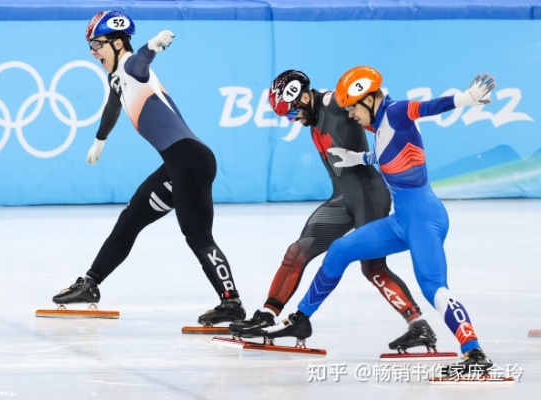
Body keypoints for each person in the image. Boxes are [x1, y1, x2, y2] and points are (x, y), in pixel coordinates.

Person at [263, 66, 496, 377]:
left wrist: (464, 99)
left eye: (351, 108)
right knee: (340, 250)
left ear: (369, 100)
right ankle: (301, 319)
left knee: (434, 287)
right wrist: (358, 159)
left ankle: (474, 352)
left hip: (424, 220)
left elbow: (425, 108)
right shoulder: (381, 125)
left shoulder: (397, 112)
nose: (349, 114)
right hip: (401, 221)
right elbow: (387, 153)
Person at [52, 10, 245, 326]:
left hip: (190, 161)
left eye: (97, 44)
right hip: (177, 164)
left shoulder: (130, 65)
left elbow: (139, 62)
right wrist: (99, 140)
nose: (92, 52)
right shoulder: (118, 79)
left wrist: (153, 46)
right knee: (130, 219)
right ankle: (90, 283)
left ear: (117, 43)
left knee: (197, 235)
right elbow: (113, 107)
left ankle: (232, 302)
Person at [229, 70, 438, 354]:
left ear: (304, 96)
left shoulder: (335, 102)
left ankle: (419, 325)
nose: (294, 121)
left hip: (369, 196)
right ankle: (268, 315)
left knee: (373, 267)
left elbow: (376, 106)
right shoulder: (314, 115)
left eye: (293, 114)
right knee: (297, 251)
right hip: (342, 199)